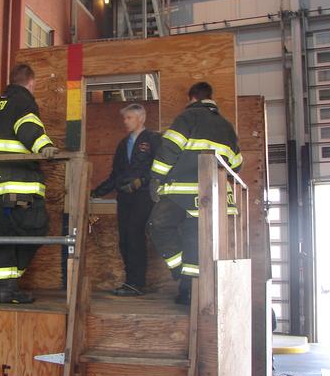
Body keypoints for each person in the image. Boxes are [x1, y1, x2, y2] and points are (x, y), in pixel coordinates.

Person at [147, 82, 242, 305]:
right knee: (196, 241)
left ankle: (183, 276)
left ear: (192, 98)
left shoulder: (188, 118)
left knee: (157, 225)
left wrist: (156, 177)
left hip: (183, 193)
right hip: (217, 196)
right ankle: (189, 289)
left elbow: (169, 148)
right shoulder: (227, 126)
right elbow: (237, 165)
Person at [0, 64, 59, 304]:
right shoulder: (23, 103)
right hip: (17, 191)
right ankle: (9, 283)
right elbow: (28, 129)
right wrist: (45, 147)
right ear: (31, 83)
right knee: (36, 227)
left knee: (1, 234)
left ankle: (4, 288)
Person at [91, 104, 161, 296]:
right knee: (124, 238)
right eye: (125, 118)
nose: (125, 121)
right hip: (125, 196)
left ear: (141, 118)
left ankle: (137, 283)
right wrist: (96, 192)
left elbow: (160, 167)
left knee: (134, 233)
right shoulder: (123, 144)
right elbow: (115, 175)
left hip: (144, 195)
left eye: (129, 118)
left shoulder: (153, 139)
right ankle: (130, 281)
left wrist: (142, 181)